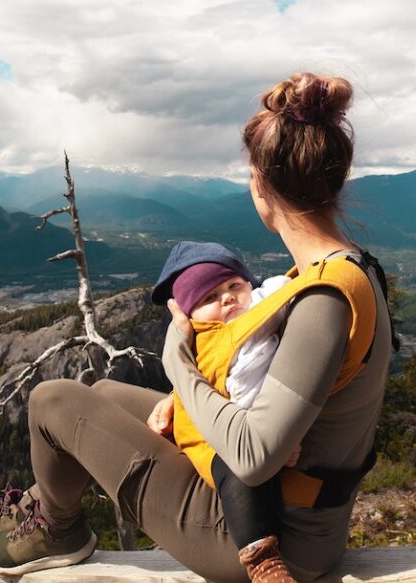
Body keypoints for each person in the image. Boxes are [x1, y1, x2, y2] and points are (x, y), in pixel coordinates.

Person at [0, 72, 393, 583]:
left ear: (259, 183)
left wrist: (178, 361)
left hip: (267, 539)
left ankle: (59, 528)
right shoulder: (347, 270)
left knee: (53, 400)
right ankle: (42, 513)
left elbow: (251, 457)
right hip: (291, 514)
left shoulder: (323, 300)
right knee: (107, 394)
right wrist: (188, 401)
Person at [146, 241, 297, 582]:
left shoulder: (257, 310)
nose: (227, 298)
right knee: (240, 473)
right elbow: (230, 386)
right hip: (212, 436)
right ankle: (262, 560)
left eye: (234, 286)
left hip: (249, 423)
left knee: (256, 469)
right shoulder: (212, 340)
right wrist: (280, 440)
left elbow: (283, 288)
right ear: (190, 315)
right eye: (209, 298)